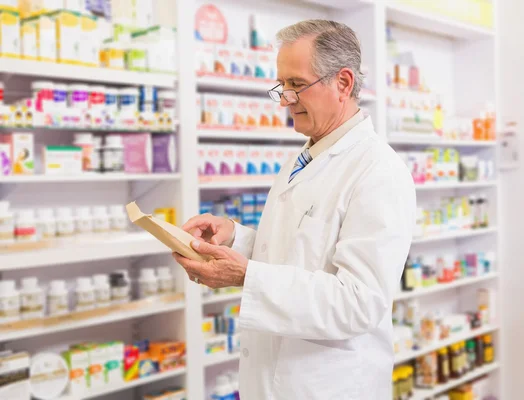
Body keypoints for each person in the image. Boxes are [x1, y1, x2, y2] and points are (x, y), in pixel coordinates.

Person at [174, 19, 415, 399]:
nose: (285, 98)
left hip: (328, 386)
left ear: (344, 83)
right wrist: (237, 239)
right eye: (281, 85)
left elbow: (359, 303)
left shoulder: (378, 171)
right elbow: (298, 256)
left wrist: (246, 276)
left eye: (297, 85)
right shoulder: (304, 158)